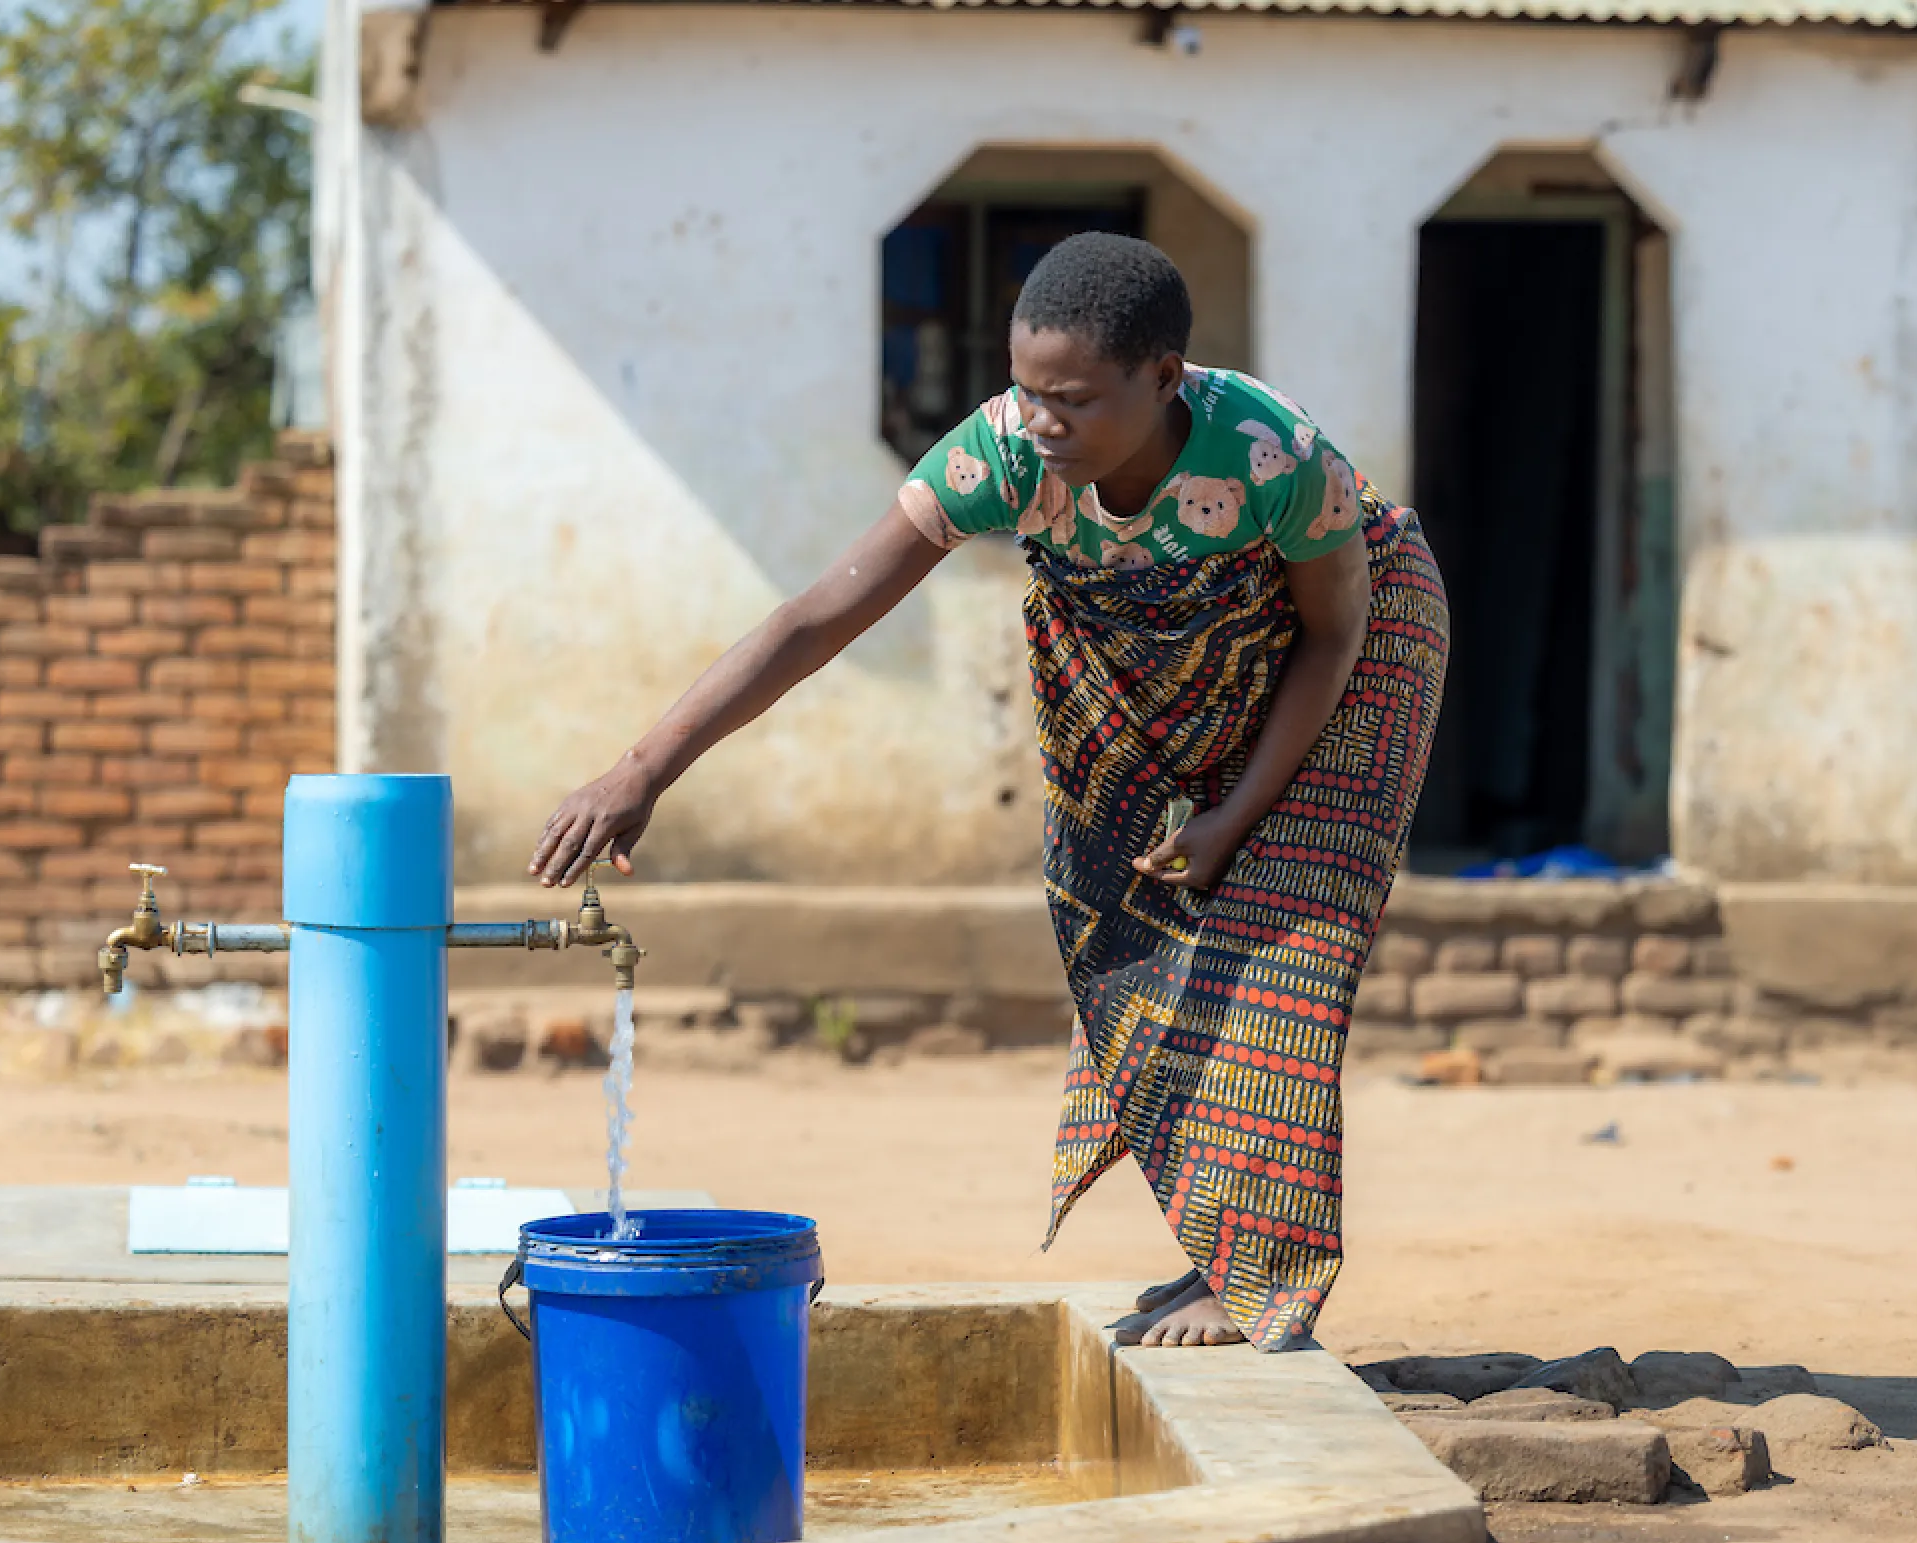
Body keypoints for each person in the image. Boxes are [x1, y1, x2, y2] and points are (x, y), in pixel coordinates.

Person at [530, 234, 1448, 1351]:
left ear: (1164, 378)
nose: (1042, 422)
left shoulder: (1271, 457)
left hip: (1350, 654)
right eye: (1026, 392)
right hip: (1156, 650)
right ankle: (1223, 1245)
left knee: (1279, 941)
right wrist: (643, 767)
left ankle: (1254, 1276)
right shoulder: (1004, 454)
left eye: (1072, 400)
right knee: (1130, 922)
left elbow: (1334, 632)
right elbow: (817, 616)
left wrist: (1234, 818)